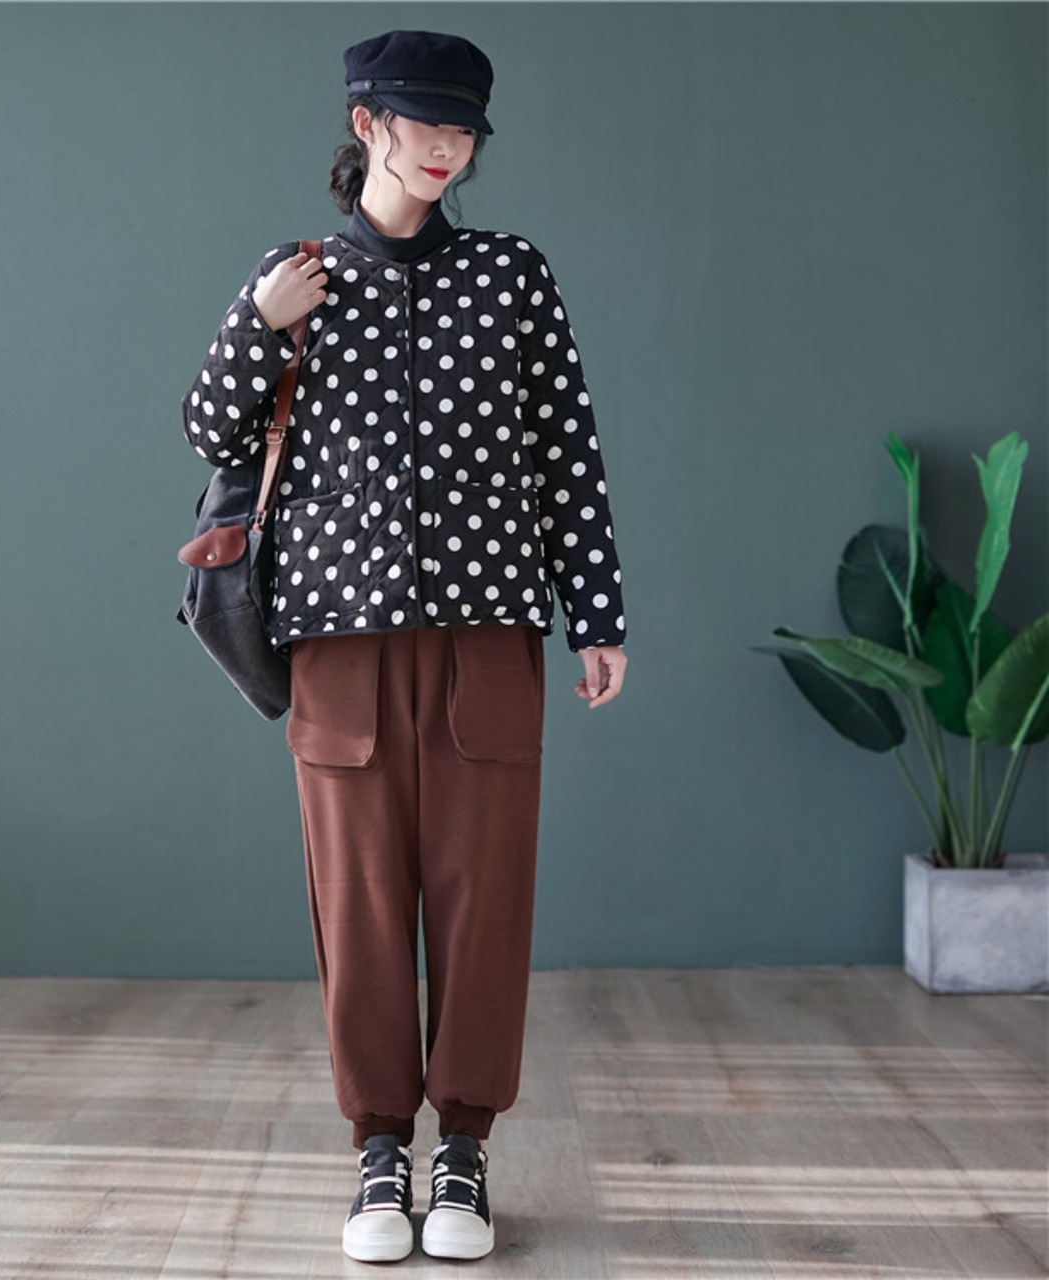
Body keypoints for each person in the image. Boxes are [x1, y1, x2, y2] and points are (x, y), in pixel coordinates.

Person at [181, 28, 627, 1264]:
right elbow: (206, 428)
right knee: (361, 904)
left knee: (484, 903)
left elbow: (566, 452)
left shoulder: (511, 274)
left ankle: (464, 1151)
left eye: (462, 128)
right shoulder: (296, 276)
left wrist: (597, 613)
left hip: (489, 637)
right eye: (423, 122)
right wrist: (259, 322)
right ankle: (379, 1150)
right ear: (365, 124)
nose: (446, 147)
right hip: (339, 645)